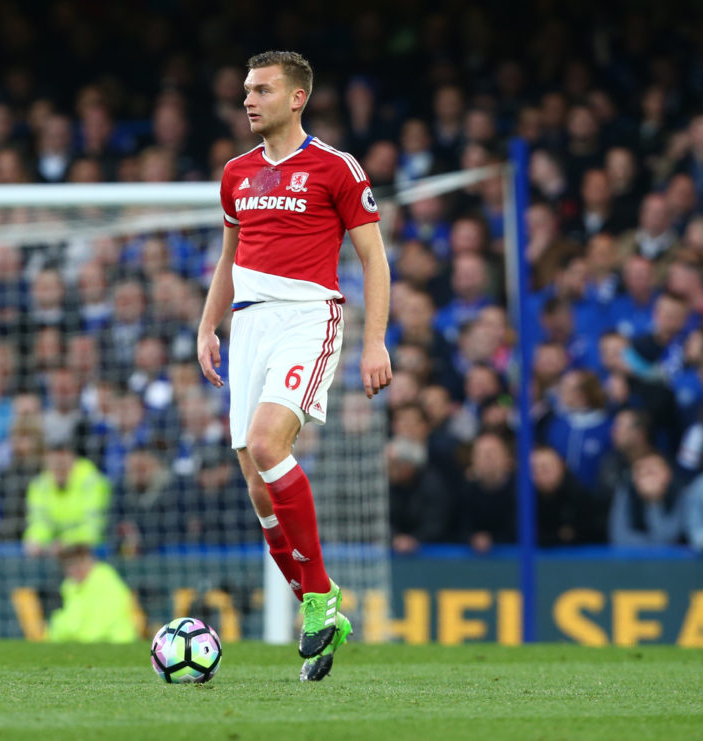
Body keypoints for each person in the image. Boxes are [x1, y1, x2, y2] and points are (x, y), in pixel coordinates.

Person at [197, 50, 391, 682]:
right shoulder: (235, 174)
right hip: (249, 322)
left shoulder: (336, 168)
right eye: (246, 90)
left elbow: (374, 259)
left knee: (266, 443)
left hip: (308, 317)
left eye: (262, 89)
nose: (249, 99)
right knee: (257, 484)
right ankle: (321, 600)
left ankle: (317, 598)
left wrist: (375, 342)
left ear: (297, 97)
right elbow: (229, 261)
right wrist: (207, 325)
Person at [22, 438, 111, 556]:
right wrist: (35, 540)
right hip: (53, 551)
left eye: (63, 464)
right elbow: (38, 522)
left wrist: (66, 542)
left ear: (74, 460)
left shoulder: (92, 483)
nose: (59, 468)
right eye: (55, 464)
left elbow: (93, 529)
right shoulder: (39, 486)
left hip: (89, 554)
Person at [44, 544, 139, 643]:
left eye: (79, 562)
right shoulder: (69, 587)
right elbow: (63, 625)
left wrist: (74, 635)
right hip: (82, 645)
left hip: (115, 642)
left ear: (90, 561)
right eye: (69, 565)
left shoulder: (105, 578)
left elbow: (107, 619)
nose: (75, 568)